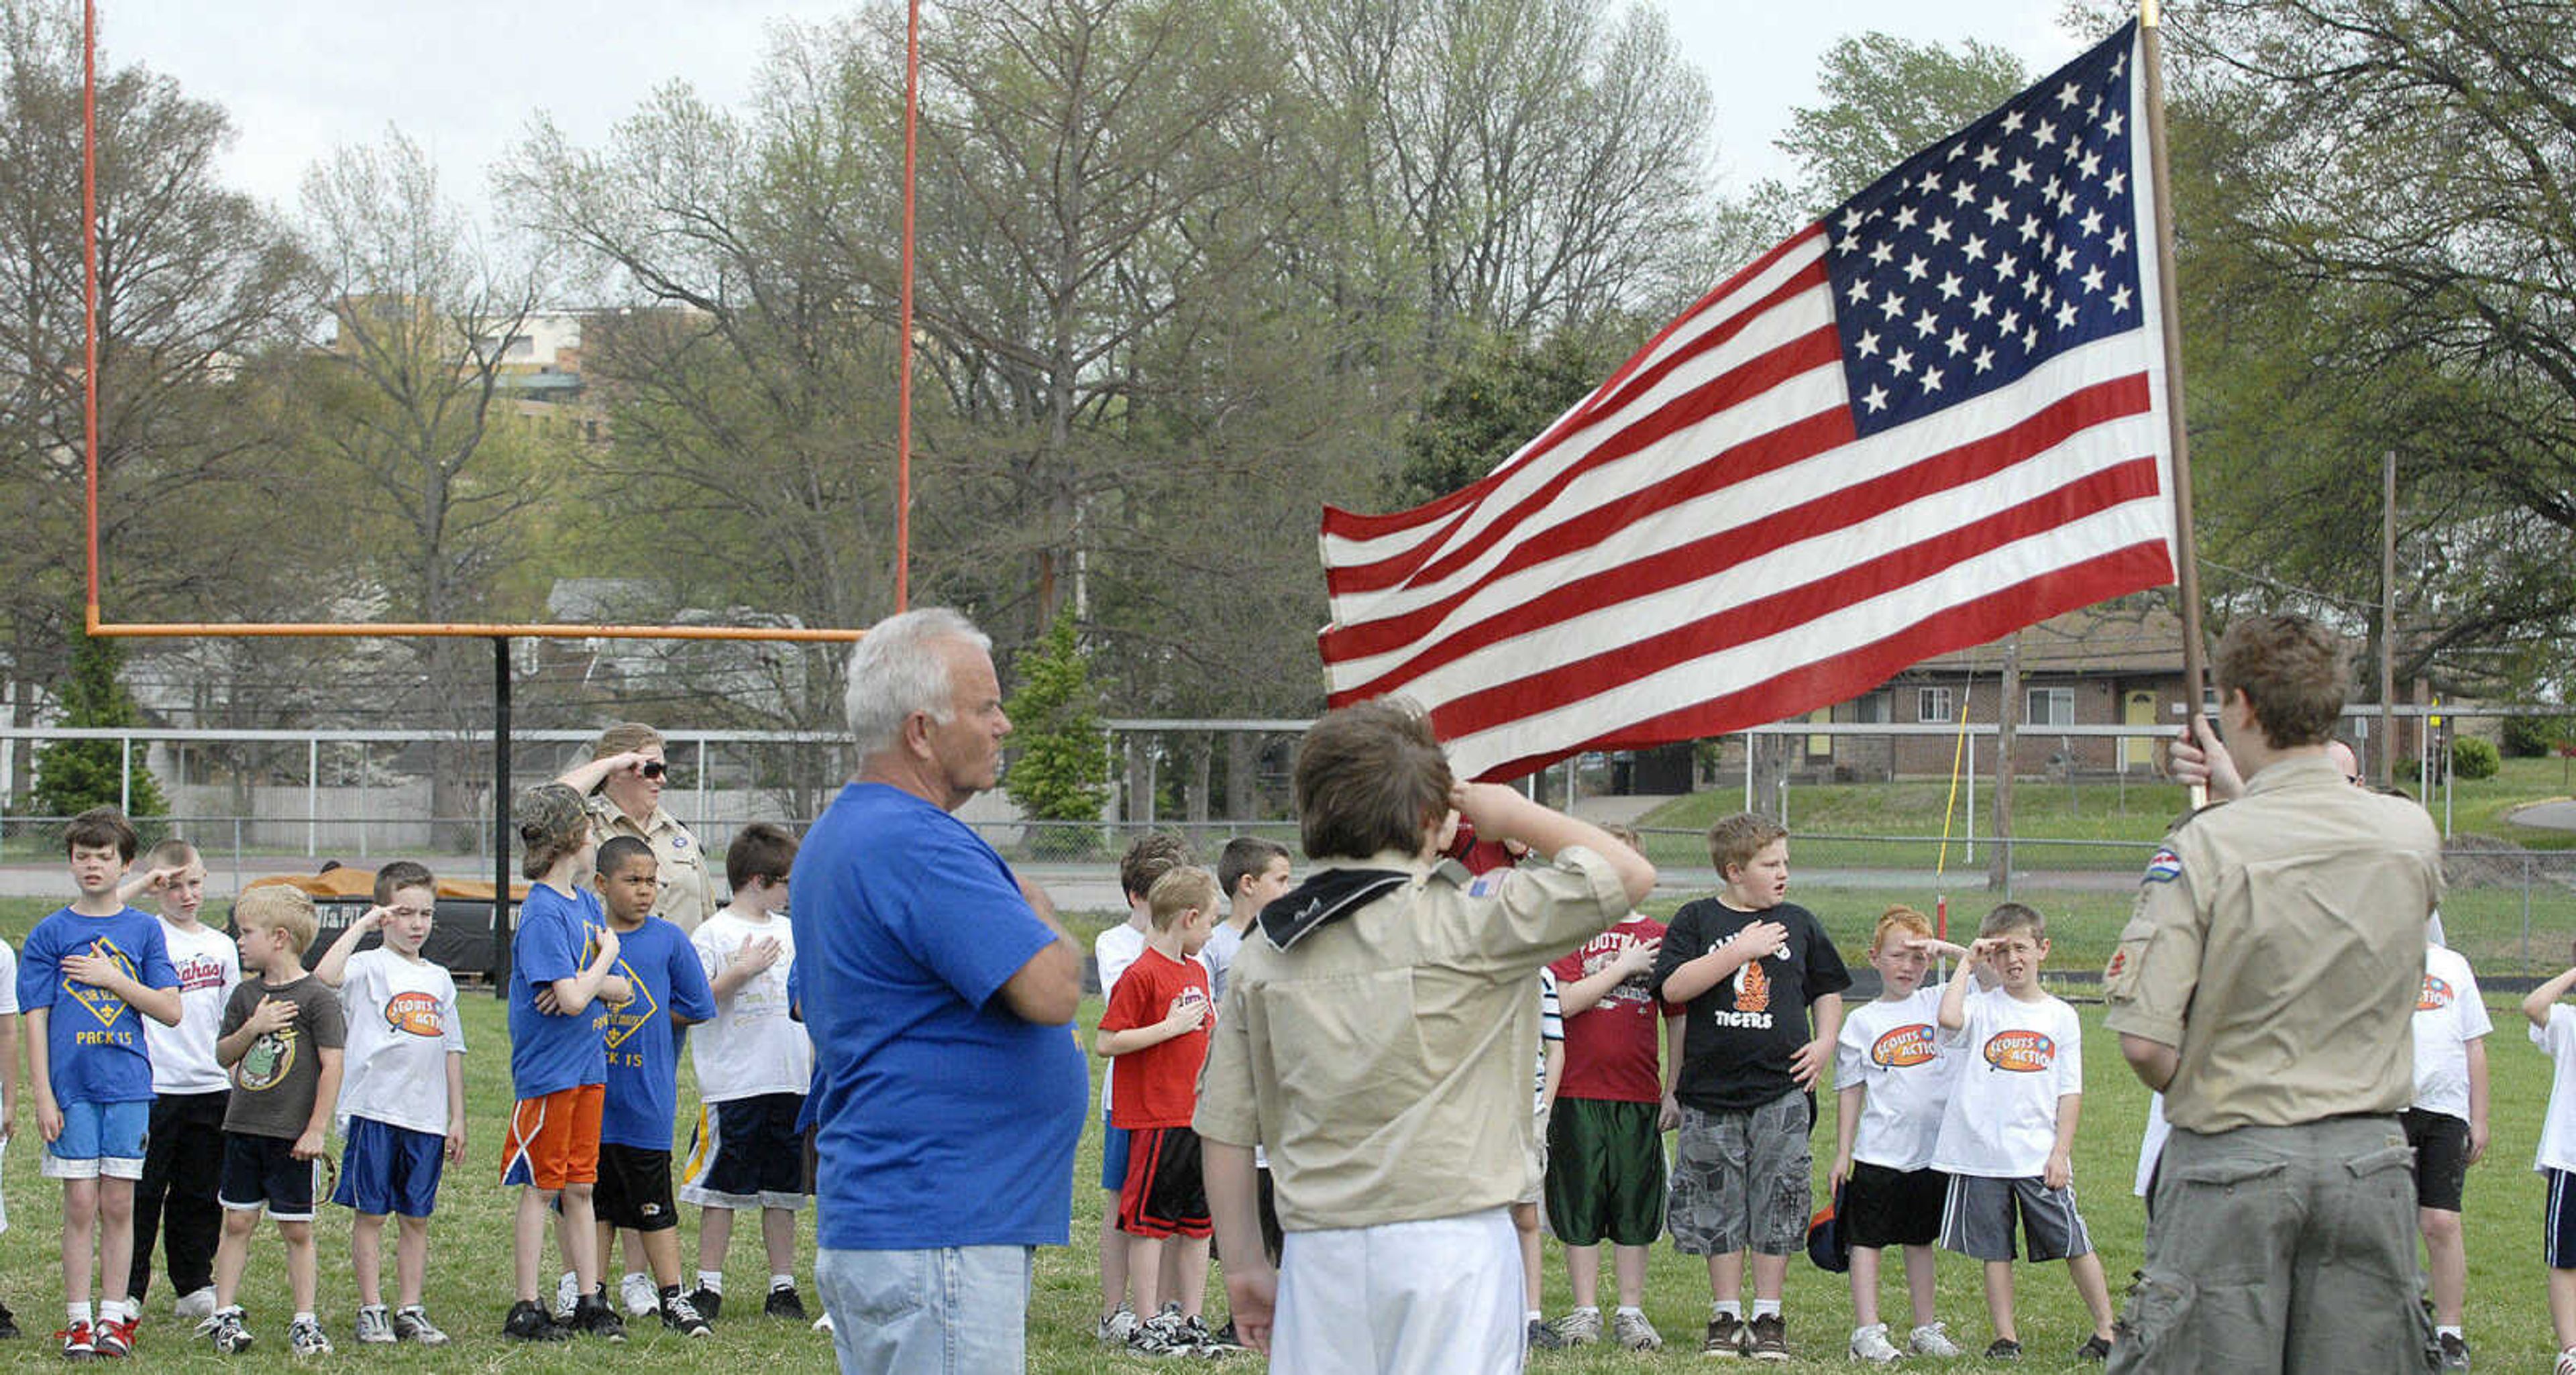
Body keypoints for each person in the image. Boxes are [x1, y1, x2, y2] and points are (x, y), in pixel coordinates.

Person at [1195, 699, 1656, 1368]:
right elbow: (1627, 873)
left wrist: (1242, 1263)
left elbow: (1227, 1126)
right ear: (1433, 820)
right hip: (1454, 1245)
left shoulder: (1268, 948)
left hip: (1321, 1248)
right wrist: (1510, 812)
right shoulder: (1478, 920)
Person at [2105, 613, 2445, 1372]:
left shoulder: (2205, 846)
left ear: (2244, 706)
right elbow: (2314, 846)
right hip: (2372, 1164)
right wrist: (2239, 787)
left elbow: (2146, 1041)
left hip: (2234, 1161)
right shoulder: (2409, 833)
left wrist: (2217, 1079)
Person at [795, 607, 1087, 1373]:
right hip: (939, 1224)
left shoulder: (850, 830)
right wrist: (1040, 911)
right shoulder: (915, 840)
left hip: (908, 1219)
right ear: (922, 730)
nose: (1005, 723)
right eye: (986, 706)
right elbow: (1054, 989)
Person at [1648, 811, 1849, 1360]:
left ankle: (1767, 1315)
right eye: (1770, 864)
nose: (1783, 872)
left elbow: (1827, 987)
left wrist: (1826, 1040)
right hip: (1711, 1091)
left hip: (1779, 1088)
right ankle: (1725, 1314)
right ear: (1735, 871)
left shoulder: (1799, 922)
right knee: (1718, 1199)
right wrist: (1739, 949)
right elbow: (1672, 988)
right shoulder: (1696, 920)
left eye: (1785, 862)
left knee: (1777, 1196)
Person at [18, 806, 182, 1360]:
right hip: (73, 1090)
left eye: (104, 856)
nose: (92, 865)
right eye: (82, 856)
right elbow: (35, 1015)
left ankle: (115, 1317)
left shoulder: (143, 930)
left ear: (125, 863)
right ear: (70, 862)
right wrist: (42, 1092)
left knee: (118, 1203)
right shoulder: (50, 932)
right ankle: (79, 1322)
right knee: (81, 1203)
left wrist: (114, 978)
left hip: (128, 1087)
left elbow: (170, 1009)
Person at [1931, 903, 2116, 1360]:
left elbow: (2069, 1092)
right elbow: (1949, 1019)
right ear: (1990, 959)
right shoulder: (1981, 1007)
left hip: (2036, 1154)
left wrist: (2060, 1152)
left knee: (2073, 1240)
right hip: (1984, 1155)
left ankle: (2109, 1330)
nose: (2013, 959)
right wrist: (1967, 961)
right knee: (1996, 1250)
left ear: (2042, 950)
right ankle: (2006, 1337)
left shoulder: (2060, 1017)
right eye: (2002, 951)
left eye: (2021, 948)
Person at [498, 783, 634, 1343]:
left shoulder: (583, 904)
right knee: (542, 1186)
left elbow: (618, 992)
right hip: (550, 1072)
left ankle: (588, 1296)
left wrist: (590, 982)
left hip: (587, 1067)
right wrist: (603, 961)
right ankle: (527, 1305)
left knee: (582, 1186)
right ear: (569, 839)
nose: (594, 839)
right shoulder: (543, 912)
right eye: (587, 828)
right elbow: (576, 997)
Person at [311, 859, 464, 1347]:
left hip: (425, 1117)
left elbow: (451, 1048)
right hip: (375, 1110)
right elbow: (323, 976)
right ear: (385, 914)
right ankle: (372, 1307)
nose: (417, 924)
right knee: (372, 1214)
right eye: (405, 913)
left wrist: (456, 1116)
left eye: (426, 914)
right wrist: (363, 925)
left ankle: (410, 1308)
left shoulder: (440, 977)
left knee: (416, 1216)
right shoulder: (367, 967)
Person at [1544, 821, 1682, 1353]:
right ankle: (1584, 1310)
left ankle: (1630, 1309)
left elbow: (1678, 1017)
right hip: (1577, 1089)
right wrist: (1623, 965)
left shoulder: (1661, 936)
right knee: (1578, 1201)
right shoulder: (1568, 930)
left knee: (1633, 1203)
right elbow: (1565, 1001)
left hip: (1637, 1091)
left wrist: (1675, 1087)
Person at [200, 885, 348, 1357]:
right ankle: (223, 1314)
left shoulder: (317, 999)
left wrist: (317, 1128)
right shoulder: (246, 995)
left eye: (246, 932)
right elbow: (224, 1053)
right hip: (244, 1128)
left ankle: (305, 1320)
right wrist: (254, 1028)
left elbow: (333, 1065)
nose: (238, 940)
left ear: (279, 937)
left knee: (297, 1228)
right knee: (237, 1221)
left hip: (292, 1137)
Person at [582, 836, 718, 1337]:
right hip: (592, 1099)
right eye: (632, 881)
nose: (644, 891)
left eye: (651, 882)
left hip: (647, 1103)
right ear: (601, 884)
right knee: (595, 1203)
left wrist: (654, 1019)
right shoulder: (586, 937)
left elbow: (699, 1005)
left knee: (654, 1207)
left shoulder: (668, 940)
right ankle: (589, 1296)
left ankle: (672, 1297)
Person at [682, 820, 812, 1325]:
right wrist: (741, 971)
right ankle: (708, 1284)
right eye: (785, 883)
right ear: (758, 880)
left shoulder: (793, 931)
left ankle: (783, 1285)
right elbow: (693, 1002)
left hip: (790, 1080)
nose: (790, 893)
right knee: (723, 1189)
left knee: (783, 1191)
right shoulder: (713, 934)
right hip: (734, 1083)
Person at [1831, 906, 1972, 1363]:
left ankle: (1925, 1326)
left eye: (1918, 959)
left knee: (1919, 1240)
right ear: (1874, 958)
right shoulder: (1862, 1022)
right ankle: (1867, 1331)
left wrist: (1949, 951)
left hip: (1930, 1153)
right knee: (1867, 1241)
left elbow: (1987, 973)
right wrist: (1842, 1153)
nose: (1907, 968)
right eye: (1897, 956)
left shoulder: (1938, 1001)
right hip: (1879, 1151)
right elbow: (1851, 1092)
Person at [1094, 865, 1226, 1356]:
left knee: (1196, 1224)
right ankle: (1148, 1320)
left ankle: (1189, 1316)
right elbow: (1108, 1041)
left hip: (1196, 1118)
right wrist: (1167, 1028)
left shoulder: (1196, 969)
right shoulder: (1142, 973)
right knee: (1149, 1223)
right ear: (1189, 918)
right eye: (1211, 921)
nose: (1212, 932)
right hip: (1155, 1120)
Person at [118, 837, 237, 1325]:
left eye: (194, 883)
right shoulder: (144, 934)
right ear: (156, 888)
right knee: (143, 1193)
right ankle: (128, 1289)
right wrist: (143, 883)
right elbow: (97, 911)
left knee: (199, 1193)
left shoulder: (222, 945)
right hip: (154, 1086)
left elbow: (232, 1021)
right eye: (173, 886)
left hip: (209, 1086)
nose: (185, 895)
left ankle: (193, 1283)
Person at [1091, 830, 1193, 1345]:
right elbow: (1122, 1018)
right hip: (1129, 1106)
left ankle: (1166, 1308)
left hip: (1182, 1102)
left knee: (1174, 1210)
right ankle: (1115, 1312)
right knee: (1123, 1207)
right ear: (1138, 897)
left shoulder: (1196, 949)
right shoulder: (1116, 945)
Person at [2410, 927, 2490, 1371]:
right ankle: (2392, 1321)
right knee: (2387, 1223)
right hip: (2389, 1106)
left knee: (2441, 1221)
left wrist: (2479, 1119)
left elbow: (2473, 1044)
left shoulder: (2453, 965)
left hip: (2444, 1110)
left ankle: (2450, 1333)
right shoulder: (2373, 956)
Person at [557, 722, 714, 933]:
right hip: (609, 964)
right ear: (617, 772)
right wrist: (609, 764)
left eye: (663, 769)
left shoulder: (681, 837)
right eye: (652, 770)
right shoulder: (582, 831)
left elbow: (708, 917)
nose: (662, 779)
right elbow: (548, 803)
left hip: (678, 964)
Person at [2521, 952, 2576, 1375]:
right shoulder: (2569, 1023)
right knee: (2565, 1260)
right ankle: (2570, 1351)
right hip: (2571, 1161)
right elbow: (2533, 1007)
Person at [1515, 968, 1566, 1351]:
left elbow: (1555, 1047)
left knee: (1526, 1213)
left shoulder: (1541, 976)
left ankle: (1530, 1315)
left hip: (1527, 1112)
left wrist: (1545, 1105)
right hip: (1476, 1111)